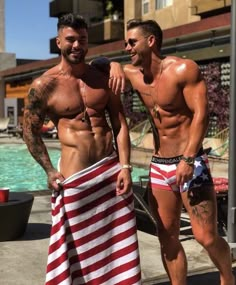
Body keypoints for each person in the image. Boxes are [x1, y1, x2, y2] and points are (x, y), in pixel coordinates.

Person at [108, 19, 235, 285]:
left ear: (151, 41)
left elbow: (201, 114)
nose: (127, 47)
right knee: (167, 236)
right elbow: (97, 66)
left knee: (206, 236)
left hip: (191, 162)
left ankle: (227, 277)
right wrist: (112, 65)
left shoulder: (182, 69)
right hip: (159, 164)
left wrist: (189, 158)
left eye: (132, 42)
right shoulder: (132, 74)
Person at [23, 13, 141, 285]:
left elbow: (119, 123)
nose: (76, 45)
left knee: (115, 248)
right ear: (58, 41)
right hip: (75, 181)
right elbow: (29, 131)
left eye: (82, 40)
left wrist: (125, 166)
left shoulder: (101, 78)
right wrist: (50, 170)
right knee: (77, 253)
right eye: (70, 39)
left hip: (111, 177)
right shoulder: (44, 86)